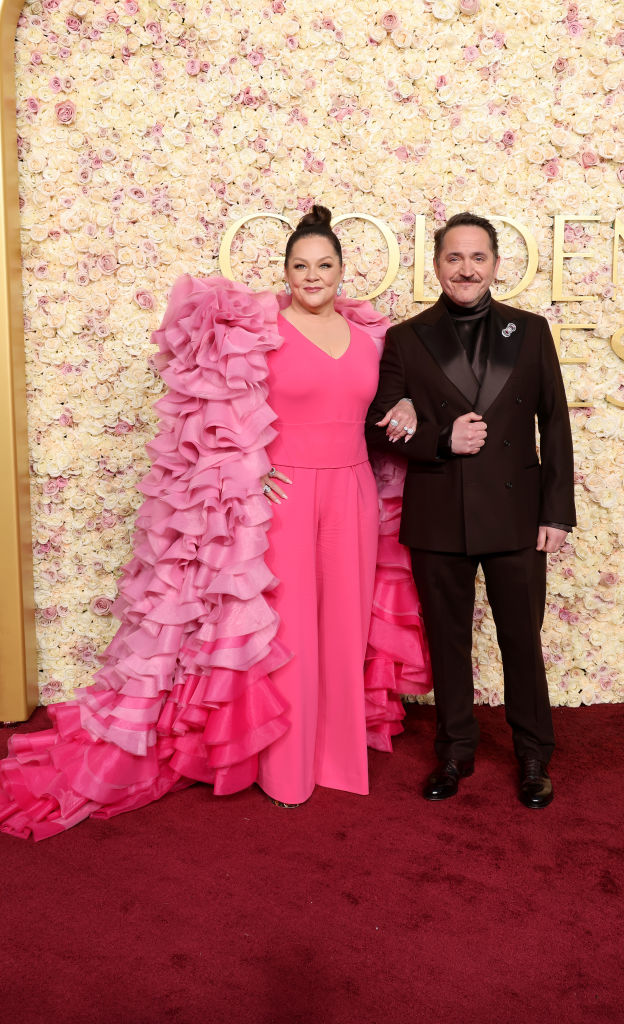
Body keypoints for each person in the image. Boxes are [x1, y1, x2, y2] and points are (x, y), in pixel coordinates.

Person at [0, 206, 420, 839]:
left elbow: (387, 405)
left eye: (325, 264)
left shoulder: (373, 338)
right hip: (282, 498)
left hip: (355, 491)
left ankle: (339, 758)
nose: (313, 275)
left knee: (345, 622)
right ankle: (286, 770)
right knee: (293, 629)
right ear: (284, 272)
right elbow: (213, 411)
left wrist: (409, 401)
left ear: (342, 271)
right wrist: (251, 470)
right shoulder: (259, 330)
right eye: (300, 265)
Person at [365, 212, 576, 809]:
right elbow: (380, 426)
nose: (466, 268)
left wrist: (556, 514)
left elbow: (554, 424)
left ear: (495, 265)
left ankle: (534, 754)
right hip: (439, 514)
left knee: (520, 640)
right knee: (449, 641)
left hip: (516, 517)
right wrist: (438, 438)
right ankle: (455, 753)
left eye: (477, 257)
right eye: (454, 258)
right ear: (436, 266)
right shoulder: (406, 338)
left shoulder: (531, 331)